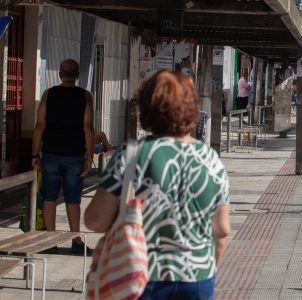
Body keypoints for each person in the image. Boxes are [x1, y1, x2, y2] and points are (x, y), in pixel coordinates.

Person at [84, 70, 231, 299]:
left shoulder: (132, 155)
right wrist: (207, 271)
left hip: (141, 278)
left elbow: (95, 220)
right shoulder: (210, 159)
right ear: (192, 108)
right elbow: (221, 230)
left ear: (147, 107)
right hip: (197, 280)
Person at [31, 58, 94, 254]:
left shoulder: (49, 94)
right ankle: (75, 240)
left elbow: (40, 125)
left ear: (60, 74)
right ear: (77, 76)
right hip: (75, 155)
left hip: (50, 154)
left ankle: (51, 240)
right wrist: (90, 156)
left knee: (49, 196)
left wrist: (35, 154)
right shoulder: (85, 96)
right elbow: (88, 127)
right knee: (73, 198)